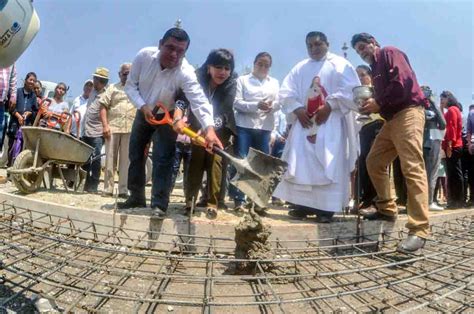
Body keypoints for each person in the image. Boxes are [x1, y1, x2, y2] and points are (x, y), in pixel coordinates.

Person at [119, 27, 222, 217]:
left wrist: (209, 129)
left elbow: (199, 101)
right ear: (160, 44)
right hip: (144, 111)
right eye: (170, 48)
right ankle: (136, 197)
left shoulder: (186, 72)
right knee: (135, 153)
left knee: (164, 158)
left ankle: (159, 204)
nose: (174, 54)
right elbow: (130, 85)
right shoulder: (143, 56)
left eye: (180, 51)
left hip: (168, 116)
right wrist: (142, 107)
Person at [351, 32, 429, 253]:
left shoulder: (388, 52)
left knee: (412, 167)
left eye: (363, 46)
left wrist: (378, 102)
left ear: (373, 42)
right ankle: (387, 208)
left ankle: (419, 229)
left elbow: (402, 83)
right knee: (374, 161)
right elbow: (384, 96)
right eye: (357, 50)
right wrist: (373, 105)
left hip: (408, 113)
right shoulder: (375, 69)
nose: (361, 51)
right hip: (391, 118)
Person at [273, 31, 360, 223]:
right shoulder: (300, 67)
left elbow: (351, 90)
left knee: (327, 162)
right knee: (301, 162)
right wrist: (297, 109)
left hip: (331, 123)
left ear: (327, 44)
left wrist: (330, 105)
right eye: (310, 46)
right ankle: (302, 205)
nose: (314, 49)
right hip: (304, 123)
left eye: (318, 44)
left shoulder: (341, 65)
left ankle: (326, 210)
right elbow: (286, 92)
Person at [180, 48, 237, 219]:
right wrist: (201, 129)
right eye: (219, 67)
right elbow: (192, 103)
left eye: (227, 68)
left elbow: (224, 111)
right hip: (197, 129)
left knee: (216, 163)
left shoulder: (232, 84)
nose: (223, 72)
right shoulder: (197, 80)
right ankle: (190, 201)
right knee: (195, 162)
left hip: (221, 131)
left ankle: (212, 204)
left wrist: (209, 130)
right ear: (208, 67)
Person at [232, 52, 280, 210]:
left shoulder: (274, 83)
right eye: (260, 63)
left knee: (263, 164)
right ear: (254, 63)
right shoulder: (243, 80)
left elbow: (279, 105)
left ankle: (258, 200)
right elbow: (237, 103)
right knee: (242, 161)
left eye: (267, 65)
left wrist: (272, 109)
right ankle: (239, 199)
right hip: (245, 125)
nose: (263, 67)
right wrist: (256, 105)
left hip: (265, 126)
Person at [98, 63, 136, 198]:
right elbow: (103, 106)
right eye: (125, 73)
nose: (128, 75)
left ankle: (123, 190)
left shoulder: (137, 89)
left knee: (126, 161)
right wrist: (105, 126)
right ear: (120, 74)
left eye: (130, 73)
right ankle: (108, 188)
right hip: (113, 127)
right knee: (110, 159)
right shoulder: (112, 88)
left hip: (130, 128)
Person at [355, 65, 384, 210]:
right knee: (363, 164)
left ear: (370, 76)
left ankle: (375, 201)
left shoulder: (376, 89)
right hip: (363, 128)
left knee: (374, 162)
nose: (360, 78)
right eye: (357, 75)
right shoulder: (356, 93)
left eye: (362, 74)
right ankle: (364, 200)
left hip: (377, 124)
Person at [82, 67, 109, 193]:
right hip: (86, 131)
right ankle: (84, 184)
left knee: (96, 160)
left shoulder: (107, 94)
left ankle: (93, 185)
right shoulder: (92, 91)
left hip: (97, 133)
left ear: (101, 81)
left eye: (95, 79)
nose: (93, 81)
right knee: (85, 159)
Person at [421, 86, 446, 211]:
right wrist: (433, 103)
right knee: (432, 173)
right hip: (432, 141)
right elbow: (443, 124)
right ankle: (429, 202)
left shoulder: (416, 106)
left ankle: (418, 202)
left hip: (420, 141)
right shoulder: (431, 106)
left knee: (420, 173)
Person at [440, 91, 464, 209]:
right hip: (455, 145)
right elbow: (443, 122)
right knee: (454, 174)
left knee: (454, 174)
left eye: (442, 99)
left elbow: (451, 128)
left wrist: (449, 145)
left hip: (453, 146)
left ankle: (457, 200)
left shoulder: (452, 110)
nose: (441, 102)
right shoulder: (454, 110)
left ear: (448, 98)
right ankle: (457, 200)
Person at [7, 72, 37, 166]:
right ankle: (10, 169)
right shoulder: (17, 92)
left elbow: (35, 112)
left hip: (25, 127)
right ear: (25, 80)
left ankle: (17, 171)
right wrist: (18, 115)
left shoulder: (33, 96)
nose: (32, 82)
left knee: (22, 149)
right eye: (30, 79)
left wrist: (30, 113)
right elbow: (10, 107)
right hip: (15, 125)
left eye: (34, 81)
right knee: (12, 147)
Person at [0, 64, 17, 183]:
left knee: (0, 136)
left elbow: (13, 80)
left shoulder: (11, 56)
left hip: (1, 103)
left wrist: (13, 95)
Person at [466, 104, 474, 206]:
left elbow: (468, 131)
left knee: (472, 172)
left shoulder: (471, 113)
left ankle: (472, 198)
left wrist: (469, 144)